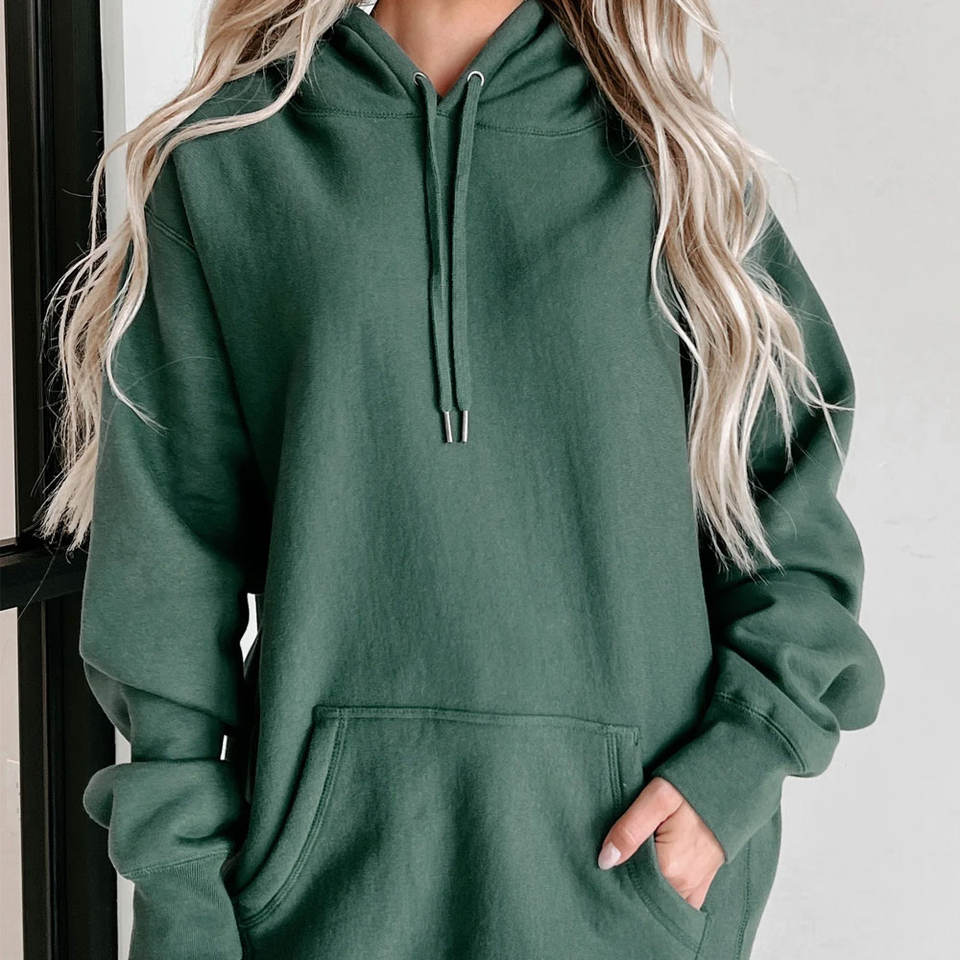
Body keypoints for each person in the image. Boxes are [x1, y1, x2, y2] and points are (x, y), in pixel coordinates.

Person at [39, 1, 885, 957]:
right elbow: (167, 559)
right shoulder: (227, 159)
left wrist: (736, 766)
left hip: (628, 890)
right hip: (324, 902)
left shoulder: (673, 164)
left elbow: (792, 515)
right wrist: (183, 897)